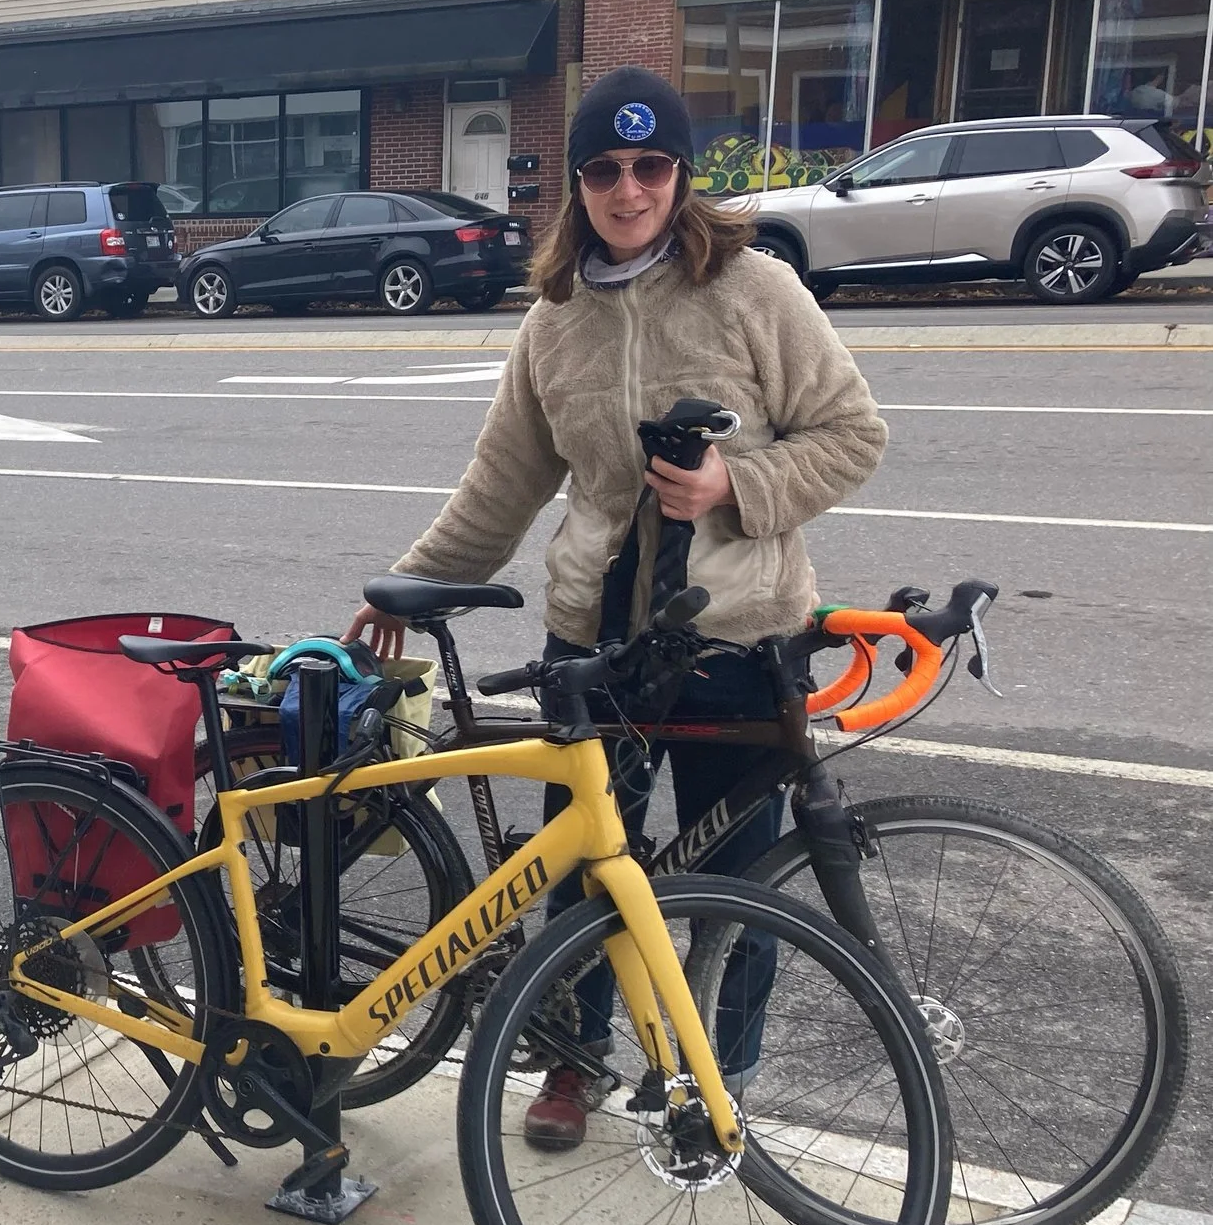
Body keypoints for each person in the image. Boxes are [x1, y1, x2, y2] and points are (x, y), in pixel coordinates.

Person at [347, 65, 887, 1150]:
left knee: (737, 890)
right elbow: (503, 482)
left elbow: (851, 435)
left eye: (650, 166)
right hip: (595, 641)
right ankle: (573, 1059)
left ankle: (716, 1084)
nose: (628, 190)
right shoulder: (554, 321)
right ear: (578, 183)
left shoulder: (756, 289)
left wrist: (735, 484)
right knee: (586, 867)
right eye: (603, 169)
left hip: (737, 634)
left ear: (680, 175)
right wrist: (405, 581)